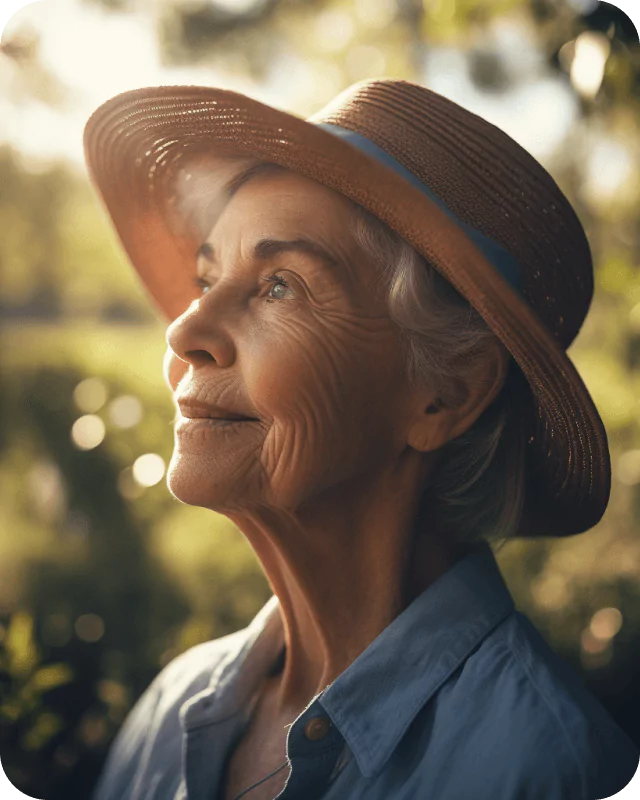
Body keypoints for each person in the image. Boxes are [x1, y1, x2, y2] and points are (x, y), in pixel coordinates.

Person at [84, 78, 639, 800]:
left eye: (279, 286)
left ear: (447, 392)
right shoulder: (173, 712)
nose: (184, 330)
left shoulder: (546, 771)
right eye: (205, 276)